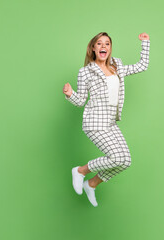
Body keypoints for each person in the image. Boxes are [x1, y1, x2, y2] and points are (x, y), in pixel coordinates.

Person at [63, 32, 150, 207]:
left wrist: (145, 43)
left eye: (107, 44)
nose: (103, 46)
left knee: (125, 161)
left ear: (110, 48)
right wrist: (70, 94)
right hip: (94, 123)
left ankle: (92, 184)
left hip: (110, 122)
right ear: (93, 48)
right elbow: (80, 101)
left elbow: (142, 65)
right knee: (116, 158)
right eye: (99, 44)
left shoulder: (117, 67)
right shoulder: (85, 72)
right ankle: (80, 171)